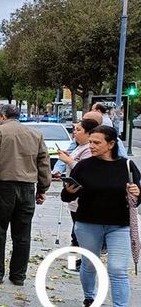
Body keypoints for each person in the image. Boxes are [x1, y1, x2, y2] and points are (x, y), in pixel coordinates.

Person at [61, 125, 140, 307]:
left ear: (111, 144)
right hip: (88, 223)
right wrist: (68, 191)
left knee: (118, 269)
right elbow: (67, 197)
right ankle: (90, 299)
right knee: (89, 264)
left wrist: (136, 192)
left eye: (97, 143)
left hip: (119, 225)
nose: (92, 146)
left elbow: (137, 199)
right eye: (91, 142)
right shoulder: (84, 166)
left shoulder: (128, 166)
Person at [0, 103, 51, 286]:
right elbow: (44, 162)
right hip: (27, 188)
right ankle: (18, 275)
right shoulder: (35, 134)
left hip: (3, 187)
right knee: (22, 234)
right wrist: (42, 188)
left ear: (3, 116)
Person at [56, 117, 98, 273]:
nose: (75, 132)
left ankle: (77, 265)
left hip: (81, 198)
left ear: (89, 133)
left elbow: (85, 172)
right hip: (73, 196)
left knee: (78, 234)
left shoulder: (89, 149)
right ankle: (76, 264)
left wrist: (68, 161)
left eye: (79, 129)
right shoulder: (80, 147)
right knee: (75, 231)